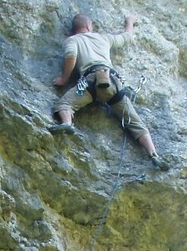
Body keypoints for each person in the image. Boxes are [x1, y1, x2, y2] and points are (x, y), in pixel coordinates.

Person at [51, 12, 170, 170]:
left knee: (64, 104)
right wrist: (130, 21)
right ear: (89, 26)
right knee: (135, 123)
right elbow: (127, 37)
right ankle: (153, 154)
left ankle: (67, 123)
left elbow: (71, 55)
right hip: (113, 83)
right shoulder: (103, 38)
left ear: (75, 29)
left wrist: (64, 79)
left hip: (91, 83)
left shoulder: (73, 40)